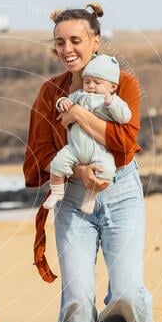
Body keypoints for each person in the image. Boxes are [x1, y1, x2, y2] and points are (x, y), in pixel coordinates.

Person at [23, 2, 159, 322]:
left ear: (96, 41)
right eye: (60, 42)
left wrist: (80, 117)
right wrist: (76, 172)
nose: (68, 49)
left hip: (121, 193)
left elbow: (124, 143)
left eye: (76, 40)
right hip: (73, 200)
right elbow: (38, 154)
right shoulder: (50, 93)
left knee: (128, 290)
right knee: (77, 294)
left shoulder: (124, 84)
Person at [43, 54, 131, 214]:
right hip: (75, 149)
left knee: (107, 170)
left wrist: (112, 103)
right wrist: (62, 103)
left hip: (99, 152)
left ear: (112, 87)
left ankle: (90, 197)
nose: (91, 86)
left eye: (97, 82)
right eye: (87, 81)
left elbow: (125, 117)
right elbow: (62, 101)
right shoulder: (80, 96)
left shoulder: (113, 102)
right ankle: (56, 191)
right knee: (58, 163)